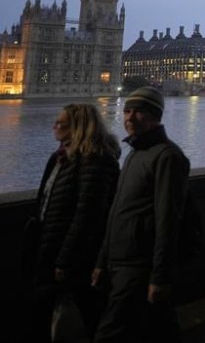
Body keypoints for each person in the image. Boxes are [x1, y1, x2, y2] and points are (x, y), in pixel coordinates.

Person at [92, 87, 190, 342]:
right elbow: (116, 212)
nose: (130, 118)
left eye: (139, 112)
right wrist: (102, 260)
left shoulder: (167, 156)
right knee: (158, 328)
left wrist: (160, 276)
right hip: (120, 260)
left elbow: (168, 219)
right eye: (127, 111)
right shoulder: (134, 153)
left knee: (109, 333)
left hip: (138, 265)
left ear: (155, 116)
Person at [24, 103, 120, 341]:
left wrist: (65, 259)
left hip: (72, 257)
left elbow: (87, 215)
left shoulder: (95, 161)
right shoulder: (60, 157)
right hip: (50, 248)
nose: (54, 126)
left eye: (60, 123)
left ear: (78, 127)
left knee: (82, 315)